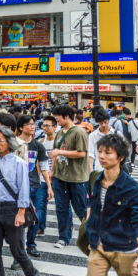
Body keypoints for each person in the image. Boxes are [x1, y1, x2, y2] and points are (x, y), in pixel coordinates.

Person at [85, 135, 138, 276]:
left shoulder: (134, 189)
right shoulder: (95, 179)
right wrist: (89, 227)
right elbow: (90, 205)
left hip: (125, 249)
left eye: (108, 153)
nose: (102, 156)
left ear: (120, 157)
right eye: (100, 151)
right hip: (98, 246)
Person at [0, 126, 39, 276]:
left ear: (9, 142)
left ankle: (32, 274)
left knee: (17, 250)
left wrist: (21, 212)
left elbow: (24, 190)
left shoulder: (19, 163)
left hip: (13, 210)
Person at [49, 104, 89, 248]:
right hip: (60, 177)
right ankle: (64, 237)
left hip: (77, 177)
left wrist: (60, 153)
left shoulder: (79, 132)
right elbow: (55, 152)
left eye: (57, 116)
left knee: (81, 209)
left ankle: (93, 235)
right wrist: (52, 171)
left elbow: (81, 153)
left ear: (66, 116)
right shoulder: (59, 133)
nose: (56, 119)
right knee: (61, 208)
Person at [16, 114, 51, 259]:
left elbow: (43, 166)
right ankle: (18, 246)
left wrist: (49, 186)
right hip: (17, 187)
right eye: (29, 124)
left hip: (35, 185)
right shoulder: (14, 144)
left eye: (33, 124)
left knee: (35, 216)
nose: (32, 127)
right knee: (18, 216)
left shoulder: (38, 145)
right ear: (20, 127)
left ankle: (31, 244)